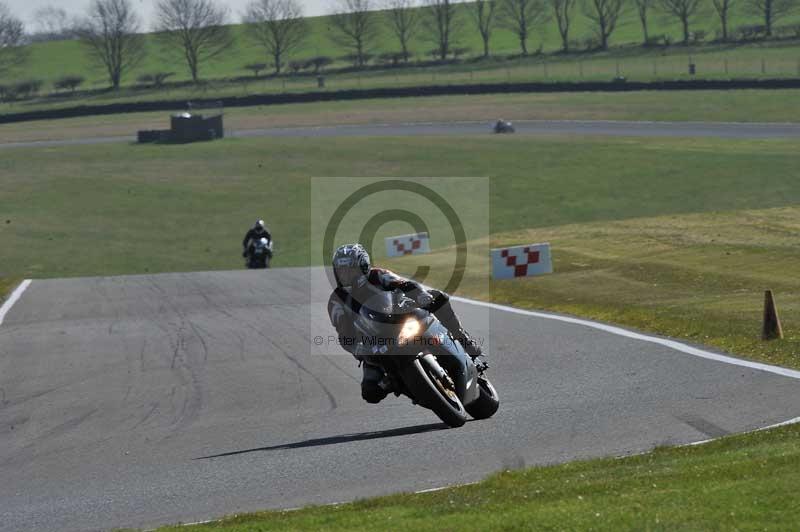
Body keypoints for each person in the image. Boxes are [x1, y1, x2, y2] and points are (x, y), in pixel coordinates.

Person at [327, 243, 487, 404]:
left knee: (439, 297)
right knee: (370, 392)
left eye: (350, 271)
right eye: (341, 272)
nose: (345, 276)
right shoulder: (336, 301)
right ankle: (407, 386)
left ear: (363, 266)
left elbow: (405, 284)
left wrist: (421, 295)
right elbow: (343, 332)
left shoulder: (378, 275)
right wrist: (356, 348)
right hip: (374, 345)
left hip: (400, 319)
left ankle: (463, 339)